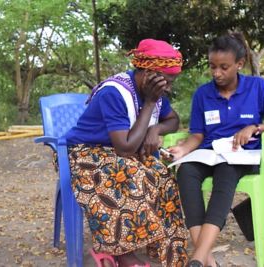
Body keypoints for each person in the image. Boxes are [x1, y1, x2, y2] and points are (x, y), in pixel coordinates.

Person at [63, 39, 189, 267]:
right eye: (166, 81)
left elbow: (174, 120)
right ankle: (122, 254)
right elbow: (125, 147)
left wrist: (156, 129)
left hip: (118, 151)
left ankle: (163, 249)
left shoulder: (155, 93)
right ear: (148, 73)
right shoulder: (115, 92)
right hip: (84, 153)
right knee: (127, 173)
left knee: (162, 175)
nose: (168, 88)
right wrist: (150, 103)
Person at [168, 32, 264, 267]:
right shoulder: (203, 94)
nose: (217, 73)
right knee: (185, 172)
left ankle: (196, 258)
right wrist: (183, 151)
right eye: (212, 66)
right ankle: (207, 260)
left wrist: (255, 127)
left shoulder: (257, 87)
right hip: (208, 153)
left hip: (241, 155)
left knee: (226, 174)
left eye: (224, 67)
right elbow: (197, 135)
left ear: (239, 64)